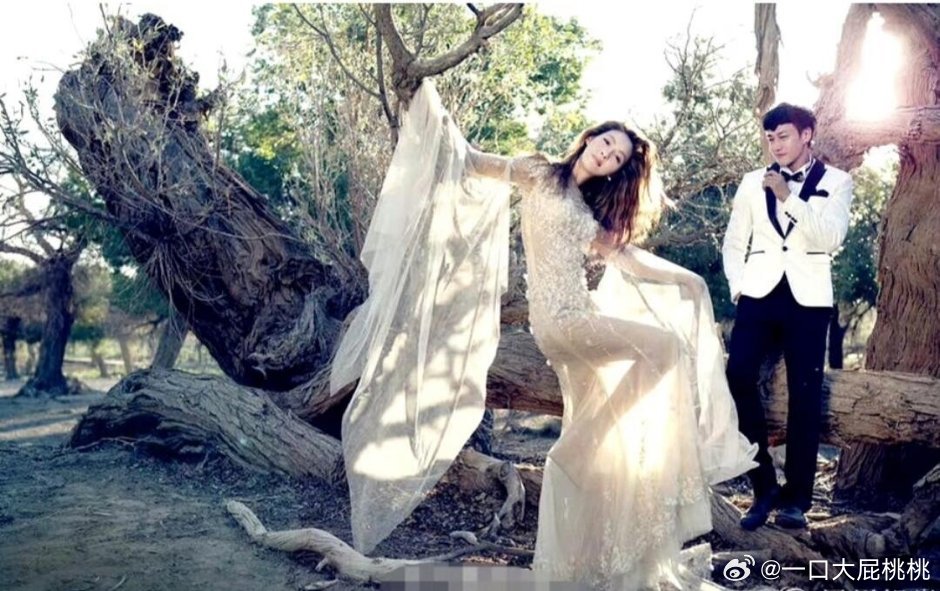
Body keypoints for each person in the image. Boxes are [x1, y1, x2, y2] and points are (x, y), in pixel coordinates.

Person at [331, 81, 757, 590]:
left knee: (616, 448)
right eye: (607, 143)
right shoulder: (537, 172)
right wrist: (429, 108)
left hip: (579, 317)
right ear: (590, 137)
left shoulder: (589, 209)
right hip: (561, 322)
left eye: (618, 158)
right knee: (666, 348)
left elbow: (626, 257)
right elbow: (471, 162)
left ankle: (597, 564)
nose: (607, 155)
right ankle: (573, 448)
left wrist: (686, 280)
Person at [722, 103, 853, 531]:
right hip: (758, 295)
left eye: (783, 136)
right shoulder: (750, 183)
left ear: (806, 134)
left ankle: (796, 499)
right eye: (770, 138)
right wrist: (739, 288)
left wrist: (788, 197)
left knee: (805, 394)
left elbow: (830, 238)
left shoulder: (837, 182)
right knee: (737, 376)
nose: (776, 145)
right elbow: (734, 242)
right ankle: (762, 486)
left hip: (809, 299)